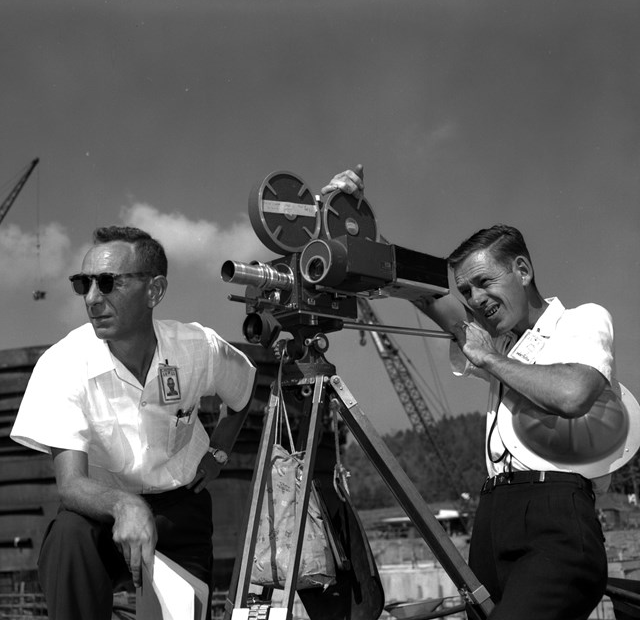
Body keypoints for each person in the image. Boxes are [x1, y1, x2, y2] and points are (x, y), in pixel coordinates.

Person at [322, 166, 627, 620]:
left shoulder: (579, 321)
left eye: (485, 282)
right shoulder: (498, 343)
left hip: (556, 516)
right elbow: (427, 297)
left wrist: (490, 360)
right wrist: (357, 226)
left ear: (522, 269)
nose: (475, 298)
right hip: (491, 520)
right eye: (465, 290)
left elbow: (573, 393)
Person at [11, 226, 257, 620]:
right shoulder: (62, 364)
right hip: (100, 515)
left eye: (108, 283)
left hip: (180, 511)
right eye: (83, 283)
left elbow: (243, 392)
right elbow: (70, 484)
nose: (92, 298)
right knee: (67, 538)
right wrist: (125, 505)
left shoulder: (198, 349)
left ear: (154, 291)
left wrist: (219, 452)